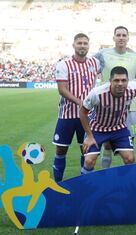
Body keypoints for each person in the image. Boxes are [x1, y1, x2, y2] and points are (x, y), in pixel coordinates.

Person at [79, 66, 136, 173]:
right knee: (89, 161)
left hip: (119, 128)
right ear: (110, 81)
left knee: (130, 159)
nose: (120, 83)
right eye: (116, 80)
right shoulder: (97, 94)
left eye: (123, 80)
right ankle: (85, 186)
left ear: (127, 81)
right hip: (97, 129)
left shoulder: (132, 89)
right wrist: (90, 136)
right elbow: (83, 112)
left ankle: (127, 185)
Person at [52, 33, 100, 182]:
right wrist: (80, 102)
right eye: (79, 43)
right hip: (67, 115)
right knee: (61, 149)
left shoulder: (95, 63)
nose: (82, 46)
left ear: (89, 46)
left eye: (85, 43)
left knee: (85, 149)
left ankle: (82, 184)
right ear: (74, 45)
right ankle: (58, 183)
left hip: (87, 116)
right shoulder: (64, 64)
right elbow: (62, 89)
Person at [94, 26, 136, 168]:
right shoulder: (102, 54)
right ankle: (104, 175)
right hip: (106, 106)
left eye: (124, 35)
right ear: (113, 37)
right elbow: (89, 70)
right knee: (107, 144)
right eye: (118, 35)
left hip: (129, 107)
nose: (121, 37)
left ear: (128, 38)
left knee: (129, 143)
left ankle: (126, 179)